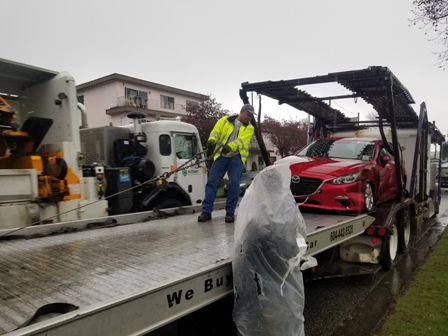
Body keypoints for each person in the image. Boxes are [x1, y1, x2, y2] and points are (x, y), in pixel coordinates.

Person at [198, 104, 256, 223]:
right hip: (221, 156)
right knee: (212, 182)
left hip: (236, 158)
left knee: (234, 184)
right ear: (242, 112)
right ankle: (206, 212)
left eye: (251, 116)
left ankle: (230, 213)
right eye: (248, 115)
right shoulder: (224, 121)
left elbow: (241, 141)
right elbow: (215, 132)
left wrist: (229, 147)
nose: (249, 118)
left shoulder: (250, 128)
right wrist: (211, 141)